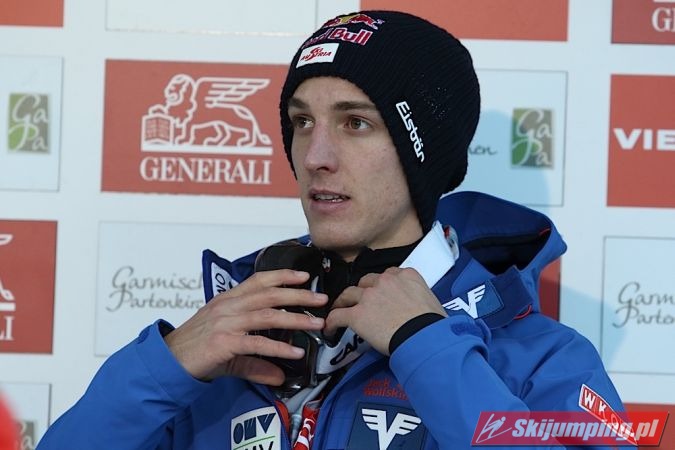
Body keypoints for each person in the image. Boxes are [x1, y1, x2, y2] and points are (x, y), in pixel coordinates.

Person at [37, 10, 625, 450]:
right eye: (301, 122)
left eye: (355, 123)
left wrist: (426, 345)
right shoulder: (236, 338)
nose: (316, 156)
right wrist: (166, 366)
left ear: (421, 154)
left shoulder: (539, 356)